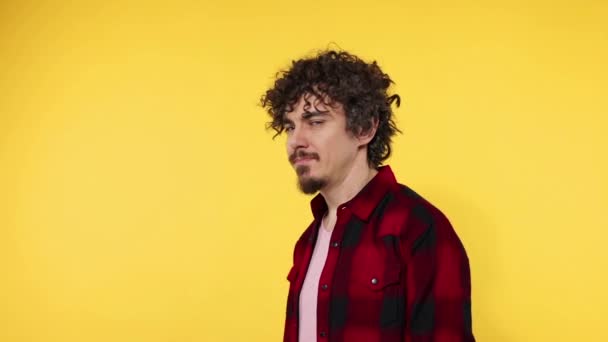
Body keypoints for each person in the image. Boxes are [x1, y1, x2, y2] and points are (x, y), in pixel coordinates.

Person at [260, 50, 475, 342]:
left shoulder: (419, 228)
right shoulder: (308, 241)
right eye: (290, 126)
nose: (295, 141)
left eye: (315, 121)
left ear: (364, 128)